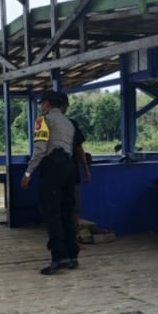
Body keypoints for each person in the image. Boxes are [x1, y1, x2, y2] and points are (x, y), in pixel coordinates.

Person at [20, 90, 78, 275]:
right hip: (68, 167)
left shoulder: (43, 120)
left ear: (47, 104)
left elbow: (40, 149)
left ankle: (59, 257)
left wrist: (28, 172)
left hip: (53, 167)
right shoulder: (68, 123)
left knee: (51, 212)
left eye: (41, 103)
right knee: (66, 212)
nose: (40, 106)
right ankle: (72, 255)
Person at [61, 100, 92, 245]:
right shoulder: (46, 124)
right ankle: (67, 240)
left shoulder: (71, 124)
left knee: (73, 208)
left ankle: (72, 240)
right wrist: (85, 170)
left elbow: (79, 149)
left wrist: (85, 170)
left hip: (69, 173)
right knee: (71, 208)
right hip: (65, 173)